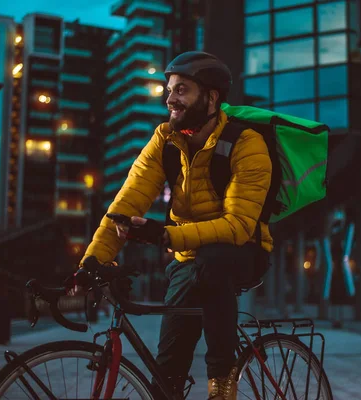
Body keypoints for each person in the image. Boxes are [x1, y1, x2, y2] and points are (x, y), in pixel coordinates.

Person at [76, 51, 273, 400]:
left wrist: (165, 234)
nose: (170, 98)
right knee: (165, 377)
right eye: (169, 90)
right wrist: (92, 260)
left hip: (243, 251)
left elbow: (239, 225)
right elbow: (127, 202)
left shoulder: (247, 143)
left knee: (213, 263)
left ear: (211, 98)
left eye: (182, 90)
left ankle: (222, 380)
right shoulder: (165, 140)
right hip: (189, 257)